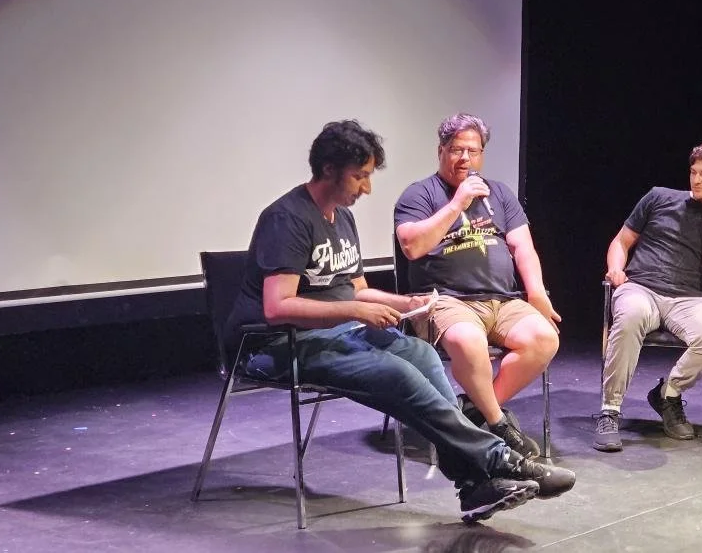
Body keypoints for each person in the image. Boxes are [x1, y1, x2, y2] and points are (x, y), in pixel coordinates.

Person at [223, 120, 575, 523]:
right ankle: (499, 462)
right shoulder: (288, 218)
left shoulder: (341, 217)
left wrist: (406, 301)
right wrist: (356, 311)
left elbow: (354, 289)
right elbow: (278, 307)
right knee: (399, 376)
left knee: (422, 356)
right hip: (273, 346)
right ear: (327, 170)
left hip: (329, 332)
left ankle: (475, 483)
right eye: (359, 177)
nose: (366, 188)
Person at [394, 113, 560, 459]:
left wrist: (537, 292)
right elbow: (412, 246)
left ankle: (475, 417)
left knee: (544, 338)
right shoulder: (420, 194)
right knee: (469, 342)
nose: (465, 159)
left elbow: (523, 247)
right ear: (441, 151)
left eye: (473, 151)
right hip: (444, 300)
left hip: (502, 300)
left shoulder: (499, 193)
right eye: (456, 150)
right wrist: (457, 204)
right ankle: (499, 426)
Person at [593, 140, 702, 451]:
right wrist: (615, 268)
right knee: (630, 316)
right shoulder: (658, 198)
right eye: (693, 172)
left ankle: (669, 394)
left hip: (691, 300)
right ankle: (609, 411)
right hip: (642, 288)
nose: (696, 180)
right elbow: (621, 242)